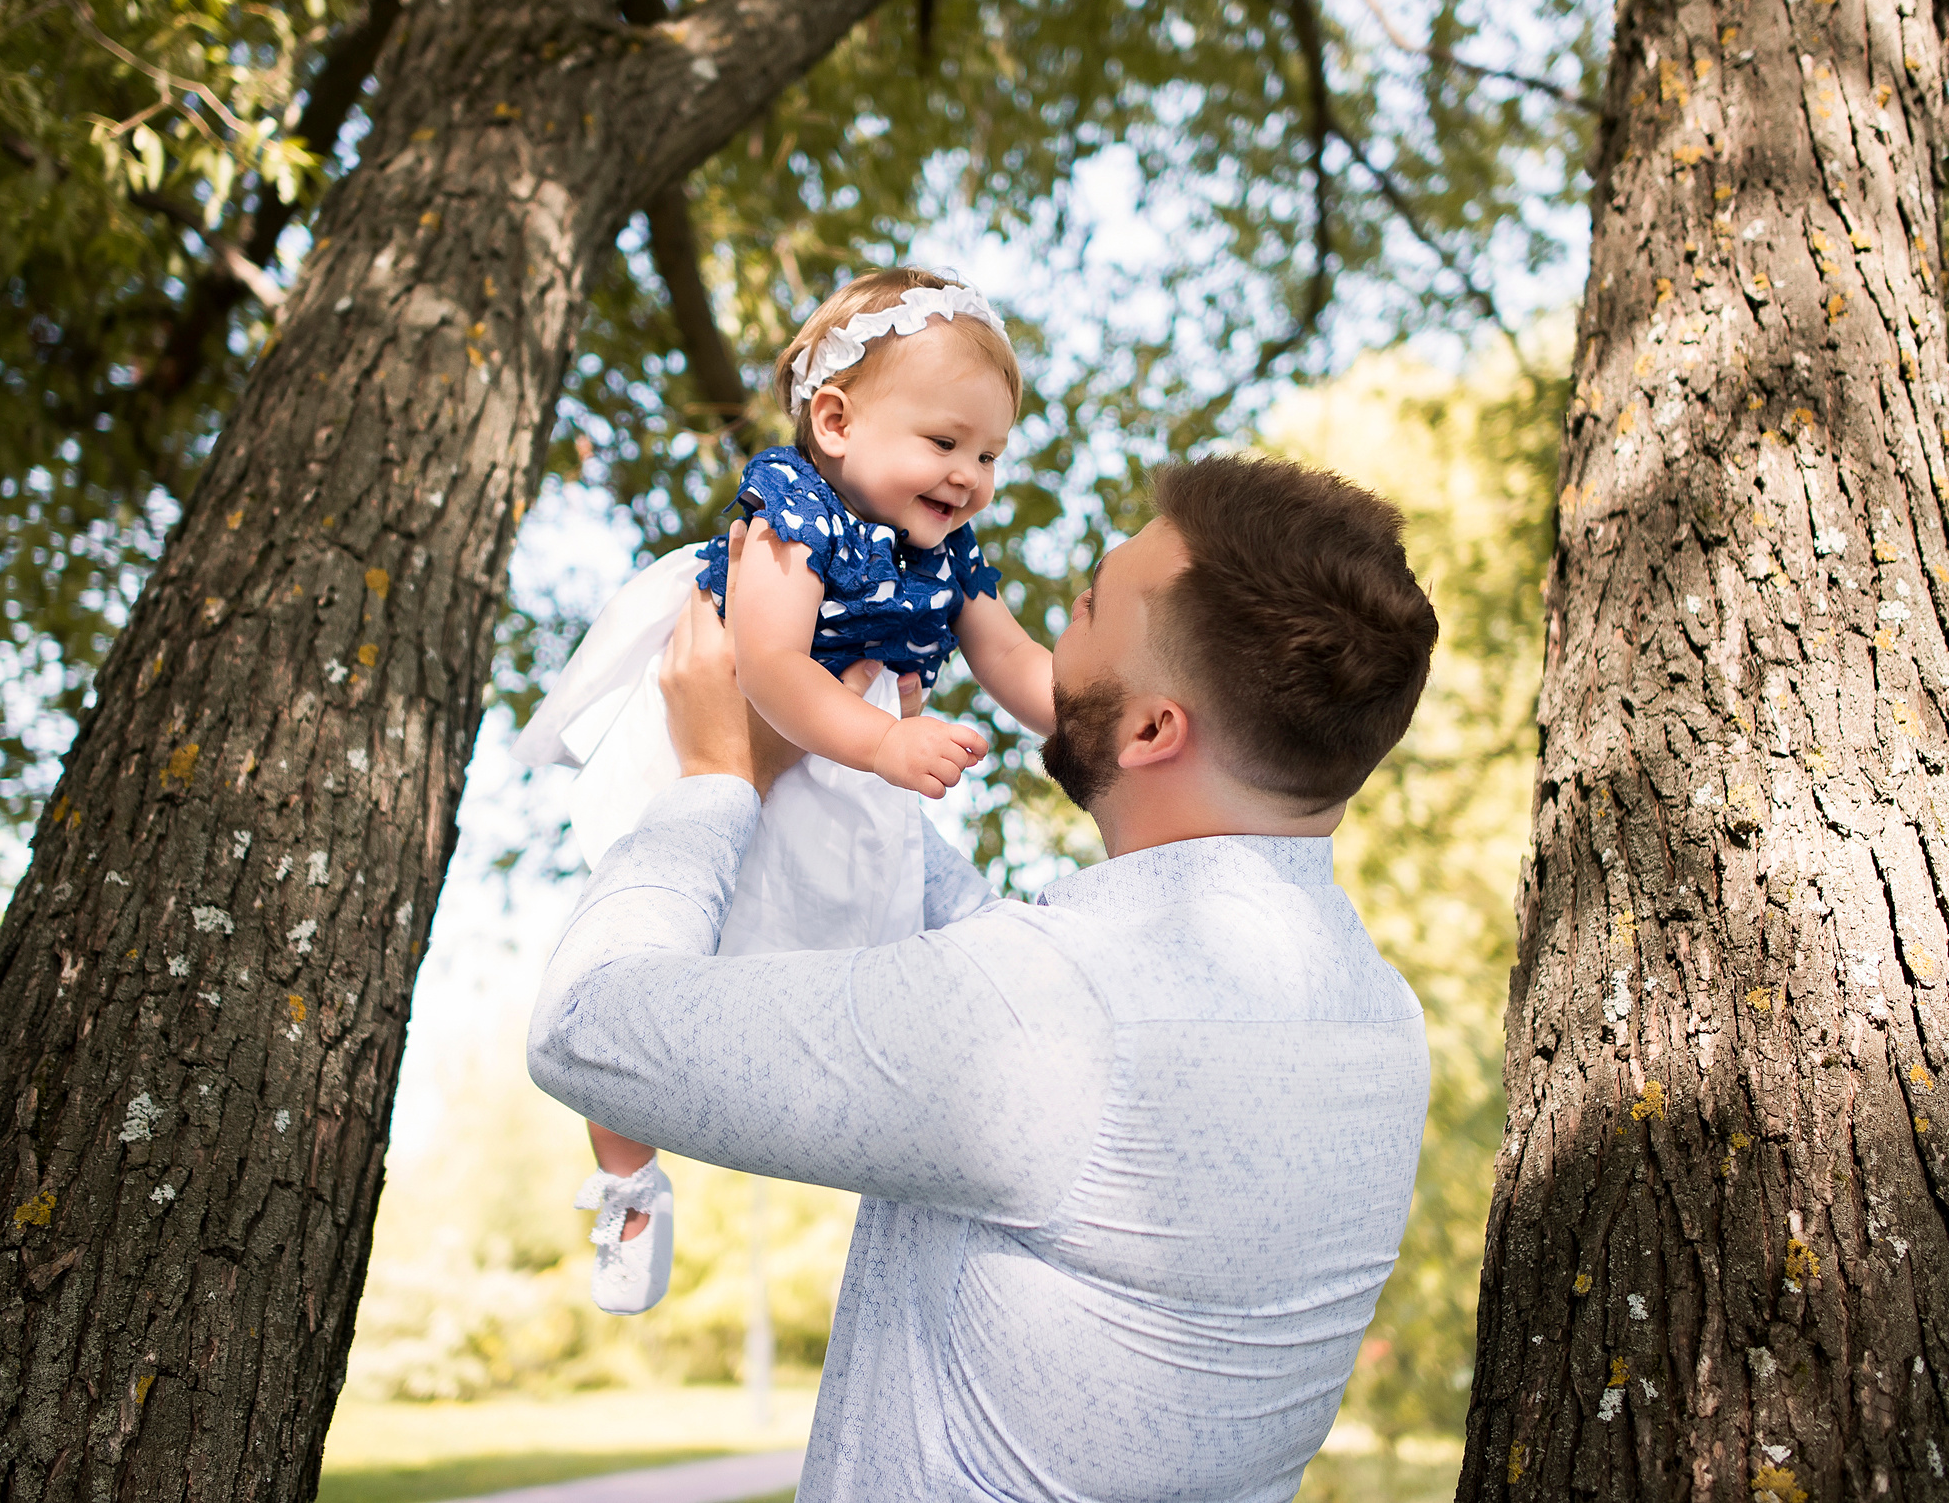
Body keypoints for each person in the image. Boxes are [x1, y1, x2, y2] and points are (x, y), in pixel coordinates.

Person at [528, 453, 1441, 1501]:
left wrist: (714, 784)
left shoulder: (1056, 1011)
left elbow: (585, 1025)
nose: (1053, 620)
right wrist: (837, 757)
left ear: (1150, 729)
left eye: (1090, 608)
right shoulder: (1377, 1014)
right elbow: (982, 961)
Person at [516, 269, 1055, 1314]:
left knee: (835, 936)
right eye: (946, 443)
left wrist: (1090, 714)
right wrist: (886, 747)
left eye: (989, 454)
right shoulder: (789, 510)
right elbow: (764, 663)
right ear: (836, 420)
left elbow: (1010, 653)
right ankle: (627, 1182)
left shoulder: (947, 549)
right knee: (654, 952)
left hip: (831, 757)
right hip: (718, 735)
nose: (971, 475)